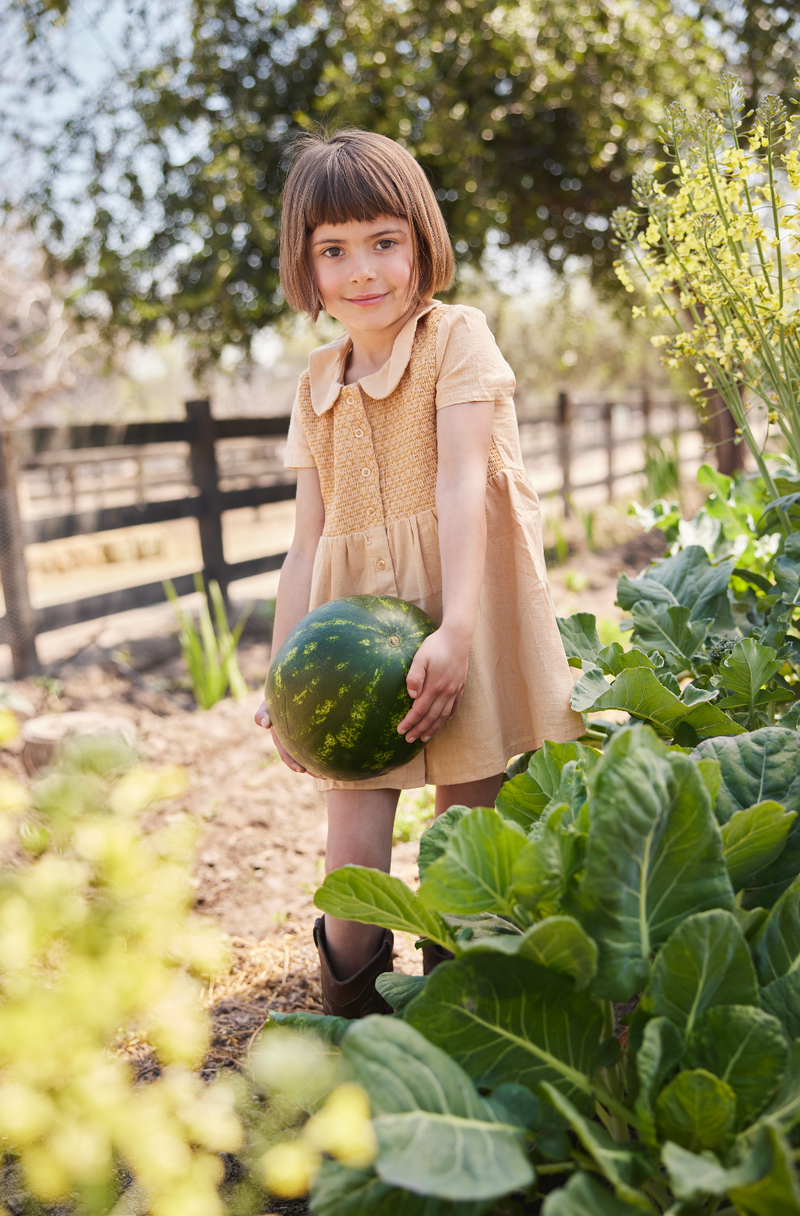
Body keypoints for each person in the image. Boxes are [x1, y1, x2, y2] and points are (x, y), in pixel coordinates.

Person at [254, 130, 583, 1018]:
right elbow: (303, 544)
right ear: (306, 265)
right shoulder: (317, 381)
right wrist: (284, 677)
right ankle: (354, 1022)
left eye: (383, 242)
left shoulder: (456, 339)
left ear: (421, 242)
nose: (362, 271)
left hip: (457, 608)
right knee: (352, 857)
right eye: (333, 250)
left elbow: (463, 485)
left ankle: (462, 1014)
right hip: (356, 643)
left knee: (461, 834)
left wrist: (458, 631)